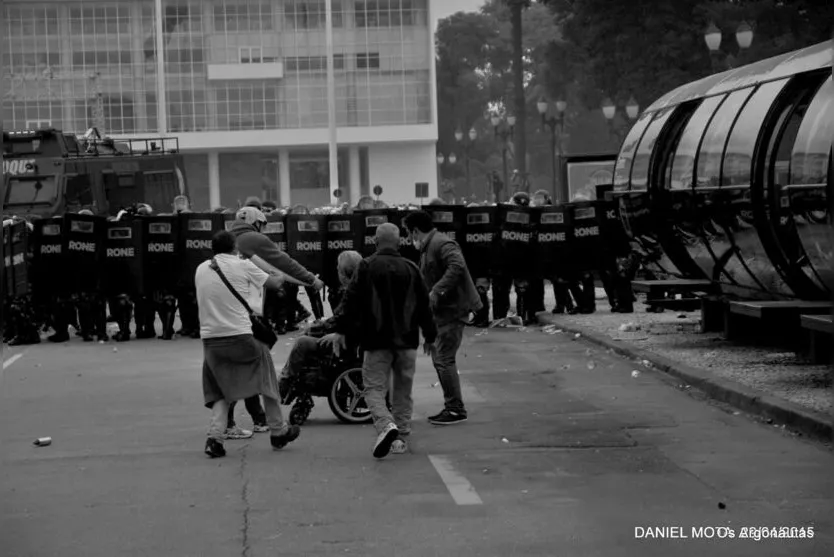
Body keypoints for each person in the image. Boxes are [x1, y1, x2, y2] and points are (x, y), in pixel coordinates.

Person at [325, 223, 437, 459]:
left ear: (375, 241)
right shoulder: (411, 268)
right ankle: (401, 439)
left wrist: (340, 329)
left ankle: (386, 425)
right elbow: (424, 306)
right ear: (399, 243)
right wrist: (430, 335)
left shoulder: (366, 266)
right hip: (407, 341)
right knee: (403, 390)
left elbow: (351, 301)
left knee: (374, 388)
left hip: (377, 341)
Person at [196, 230, 301, 458]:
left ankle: (214, 438)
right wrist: (275, 272)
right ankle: (278, 430)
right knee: (266, 379)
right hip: (241, 336)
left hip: (211, 340)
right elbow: (274, 283)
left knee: (220, 388)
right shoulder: (242, 265)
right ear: (234, 247)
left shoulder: (201, 268)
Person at [224, 206, 324, 436]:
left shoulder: (231, 241)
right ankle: (263, 425)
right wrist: (310, 279)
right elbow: (283, 262)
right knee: (255, 365)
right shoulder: (252, 238)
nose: (264, 231)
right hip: (245, 315)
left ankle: (258, 418)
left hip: (229, 313)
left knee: (249, 363)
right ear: (255, 222)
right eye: (263, 225)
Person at [404, 211, 481, 425]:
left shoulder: (441, 244)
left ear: (416, 231)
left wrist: (437, 291)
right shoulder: (430, 246)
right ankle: (453, 406)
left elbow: (457, 266)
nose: (410, 238)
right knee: (441, 359)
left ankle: (455, 409)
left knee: (444, 359)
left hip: (453, 311)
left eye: (409, 233)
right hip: (443, 313)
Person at [278, 250, 363, 405]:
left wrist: (327, 328)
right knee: (310, 334)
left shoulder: (351, 293)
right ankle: (289, 382)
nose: (336, 270)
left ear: (344, 273)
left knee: (302, 343)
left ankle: (285, 383)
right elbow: (342, 319)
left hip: (348, 343)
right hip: (350, 339)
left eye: (338, 267)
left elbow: (346, 321)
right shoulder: (358, 289)